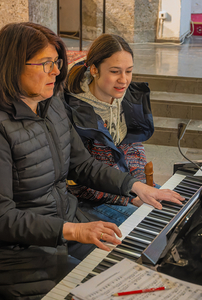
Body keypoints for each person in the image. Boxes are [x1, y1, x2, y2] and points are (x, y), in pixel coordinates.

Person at [0, 22, 184, 300]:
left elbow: (83, 165)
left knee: (139, 273)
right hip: (11, 253)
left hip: (63, 226)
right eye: (46, 63)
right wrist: (73, 229)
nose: (56, 71)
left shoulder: (50, 104)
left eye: (57, 61)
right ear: (13, 65)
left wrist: (136, 187)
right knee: (107, 292)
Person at [64, 34, 158, 226]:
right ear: (94, 70)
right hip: (90, 198)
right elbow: (78, 178)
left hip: (126, 186)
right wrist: (130, 197)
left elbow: (132, 147)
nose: (124, 80)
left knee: (179, 209)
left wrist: (140, 186)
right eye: (115, 72)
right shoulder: (72, 111)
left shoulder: (126, 97)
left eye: (129, 71)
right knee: (151, 225)